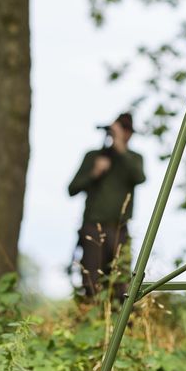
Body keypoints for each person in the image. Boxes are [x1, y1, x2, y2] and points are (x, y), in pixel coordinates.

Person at [68, 112, 146, 300]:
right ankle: (92, 320)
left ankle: (122, 323)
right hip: (93, 228)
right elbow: (72, 189)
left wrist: (120, 148)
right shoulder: (94, 156)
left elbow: (139, 177)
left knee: (122, 283)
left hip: (119, 230)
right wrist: (94, 173)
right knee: (91, 282)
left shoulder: (133, 158)